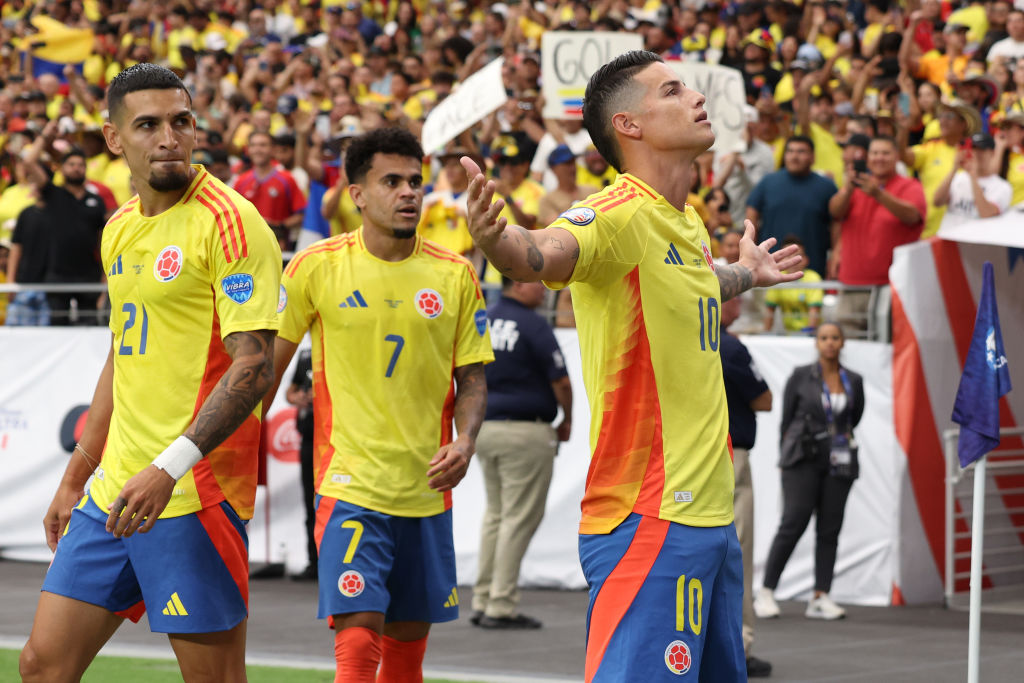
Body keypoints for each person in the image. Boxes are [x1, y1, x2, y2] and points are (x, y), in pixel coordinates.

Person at [461, 50, 802, 681]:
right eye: (672, 90)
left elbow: (696, 279)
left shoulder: (687, 225)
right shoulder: (617, 214)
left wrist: (745, 275)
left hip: (708, 518)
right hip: (649, 517)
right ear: (630, 127)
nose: (695, 98)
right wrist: (498, 242)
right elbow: (543, 251)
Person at [19, 63, 281, 682]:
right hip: (114, 490)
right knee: (41, 666)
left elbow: (254, 367)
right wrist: (75, 476)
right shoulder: (118, 229)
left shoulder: (231, 221)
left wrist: (168, 468)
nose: (169, 136)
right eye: (149, 124)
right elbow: (122, 353)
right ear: (114, 139)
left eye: (181, 121)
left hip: (194, 490)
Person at [269, 127, 493, 683]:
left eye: (415, 181)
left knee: (405, 654)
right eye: (391, 181)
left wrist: (465, 442)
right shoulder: (314, 267)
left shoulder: (456, 274)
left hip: (425, 493)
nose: (409, 192)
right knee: (358, 637)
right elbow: (261, 373)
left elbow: (472, 379)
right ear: (358, 194)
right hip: (349, 486)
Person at [471, 276, 573, 630]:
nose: (545, 288)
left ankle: (483, 595)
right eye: (536, 282)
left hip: (485, 426)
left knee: (496, 515)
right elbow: (560, 380)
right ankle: (500, 604)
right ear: (517, 283)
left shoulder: (486, 317)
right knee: (517, 518)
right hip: (524, 430)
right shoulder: (532, 324)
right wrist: (568, 418)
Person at [753, 323, 865, 622]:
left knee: (830, 528)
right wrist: (783, 457)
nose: (829, 343)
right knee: (793, 522)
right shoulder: (801, 376)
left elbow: (855, 418)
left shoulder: (853, 380)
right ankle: (765, 591)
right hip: (802, 459)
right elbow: (786, 420)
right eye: (824, 338)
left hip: (839, 461)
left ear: (842, 343)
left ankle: (821, 595)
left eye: (835, 338)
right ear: (816, 343)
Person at [720, 295, 773, 678]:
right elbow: (764, 400)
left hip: (684, 455)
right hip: (729, 453)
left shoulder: (684, 337)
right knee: (736, 551)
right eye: (734, 296)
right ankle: (738, 645)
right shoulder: (730, 347)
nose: (739, 304)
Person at [830, 136, 926, 336]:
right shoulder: (856, 186)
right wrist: (848, 187)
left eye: (885, 153)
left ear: (896, 157)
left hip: (892, 286)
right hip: (852, 284)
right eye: (874, 153)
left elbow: (912, 215)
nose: (879, 158)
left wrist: (878, 194)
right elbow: (835, 211)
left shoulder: (910, 186)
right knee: (848, 347)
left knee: (889, 348)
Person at [747, 136, 838, 278]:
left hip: (812, 271)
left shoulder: (826, 187)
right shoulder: (768, 182)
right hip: (769, 268)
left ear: (812, 157)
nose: (794, 156)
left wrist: (836, 255)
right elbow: (751, 214)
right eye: (790, 151)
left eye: (801, 152)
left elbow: (836, 224)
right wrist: (751, 250)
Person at [232, 130, 307, 250]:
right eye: (253, 145)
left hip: (279, 247)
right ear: (248, 149)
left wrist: (279, 226)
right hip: (247, 248)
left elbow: (301, 214)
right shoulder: (241, 181)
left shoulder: (287, 179)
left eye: (263, 145)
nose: (258, 149)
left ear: (273, 149)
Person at [934, 132, 1013, 230]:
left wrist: (973, 176)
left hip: (978, 242)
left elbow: (986, 213)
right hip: (951, 240)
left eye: (981, 149)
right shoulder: (958, 177)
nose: (976, 153)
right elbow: (937, 202)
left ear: (992, 153)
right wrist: (954, 169)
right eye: (973, 148)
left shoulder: (1003, 187)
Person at [286, 348, 318, 582]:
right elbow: (291, 390)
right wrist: (299, 398)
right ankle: (314, 562)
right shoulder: (306, 354)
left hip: (336, 438)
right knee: (310, 504)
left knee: (333, 501)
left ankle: (333, 562)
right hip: (308, 438)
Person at [763, 236, 823, 334]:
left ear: (806, 260)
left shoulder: (813, 278)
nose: (793, 260)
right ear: (780, 259)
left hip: (811, 335)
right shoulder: (776, 277)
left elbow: (814, 312)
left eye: (798, 255)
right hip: (788, 335)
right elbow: (770, 311)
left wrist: (807, 335)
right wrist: (765, 334)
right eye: (788, 256)